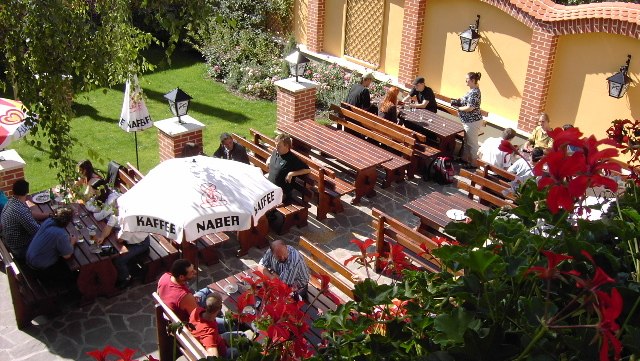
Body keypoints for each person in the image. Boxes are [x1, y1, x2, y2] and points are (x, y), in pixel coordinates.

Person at [90, 179, 150, 289]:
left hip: (140, 243)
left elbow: (120, 240)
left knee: (119, 260)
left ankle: (126, 278)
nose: (113, 210)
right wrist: (102, 237)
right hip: (129, 239)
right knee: (110, 247)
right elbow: (109, 226)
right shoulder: (117, 213)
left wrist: (115, 235)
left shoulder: (129, 220)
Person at [157, 259, 227, 332]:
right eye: (191, 272)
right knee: (230, 323)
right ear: (181, 277)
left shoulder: (165, 277)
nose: (195, 272)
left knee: (206, 291)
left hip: (179, 311)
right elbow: (198, 318)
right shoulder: (184, 296)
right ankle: (217, 313)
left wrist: (191, 300)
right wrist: (192, 301)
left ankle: (215, 310)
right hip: (190, 325)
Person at [25, 207, 77, 282]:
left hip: (29, 261)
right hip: (41, 269)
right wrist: (73, 241)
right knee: (74, 274)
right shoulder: (61, 234)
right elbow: (67, 255)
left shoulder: (48, 221)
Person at [0, 179, 46, 261]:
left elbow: (29, 213)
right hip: (21, 250)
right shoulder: (20, 211)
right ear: (26, 192)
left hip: (12, 244)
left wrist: (47, 215)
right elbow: (37, 232)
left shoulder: (11, 202)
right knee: (52, 238)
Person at [190, 293, 244, 359]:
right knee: (238, 348)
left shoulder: (196, 311)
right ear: (221, 307)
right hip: (224, 353)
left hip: (218, 339)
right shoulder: (209, 334)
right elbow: (213, 357)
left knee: (241, 334)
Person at [451, 72, 483, 169]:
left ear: (472, 80)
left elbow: (470, 108)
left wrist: (459, 108)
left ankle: (474, 164)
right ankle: (464, 159)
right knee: (466, 141)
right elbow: (465, 100)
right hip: (467, 121)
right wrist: (459, 100)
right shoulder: (471, 90)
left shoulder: (475, 92)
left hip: (472, 122)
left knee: (472, 143)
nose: (466, 81)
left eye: (467, 79)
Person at [266, 133, 310, 204]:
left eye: (278, 146)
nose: (276, 147)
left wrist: (292, 173)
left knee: (264, 209)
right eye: (275, 145)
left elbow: (307, 170)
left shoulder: (292, 159)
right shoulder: (276, 152)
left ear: (286, 146)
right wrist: (268, 161)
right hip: (269, 189)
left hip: (281, 193)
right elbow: (271, 157)